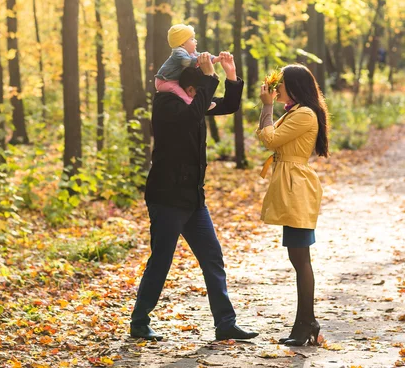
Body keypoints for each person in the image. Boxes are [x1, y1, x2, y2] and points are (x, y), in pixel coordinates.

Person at [130, 51, 259, 342]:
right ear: (190, 90)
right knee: (161, 260)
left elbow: (228, 105)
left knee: (212, 257)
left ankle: (225, 323)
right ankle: (139, 321)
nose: (200, 96)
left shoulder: (193, 102)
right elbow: (190, 117)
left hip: (193, 200)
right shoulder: (167, 105)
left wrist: (231, 75)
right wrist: (208, 80)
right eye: (198, 91)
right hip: (167, 198)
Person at [257, 64, 330, 346]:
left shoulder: (305, 114)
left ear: (295, 86)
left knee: (301, 259)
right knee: (297, 258)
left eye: (281, 84)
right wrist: (269, 109)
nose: (277, 90)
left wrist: (267, 107)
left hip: (297, 188)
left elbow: (269, 138)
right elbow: (269, 138)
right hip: (290, 185)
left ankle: (306, 323)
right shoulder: (296, 111)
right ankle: (305, 322)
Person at [155, 24, 218, 109]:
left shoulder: (190, 52)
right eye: (192, 39)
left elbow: (199, 56)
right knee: (179, 92)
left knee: (185, 91)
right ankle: (192, 104)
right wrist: (201, 61)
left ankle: (202, 103)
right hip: (164, 82)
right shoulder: (178, 53)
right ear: (182, 44)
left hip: (172, 79)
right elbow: (188, 62)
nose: (195, 41)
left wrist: (215, 59)